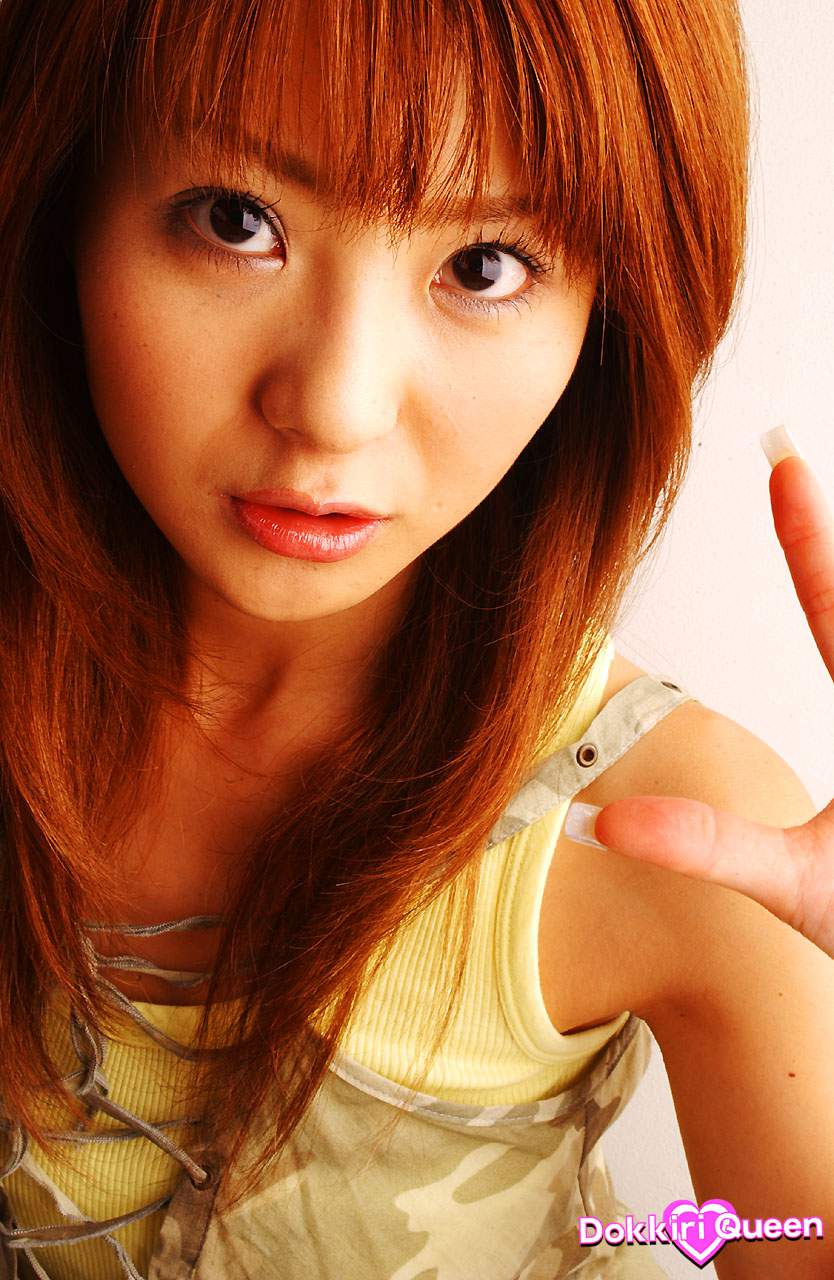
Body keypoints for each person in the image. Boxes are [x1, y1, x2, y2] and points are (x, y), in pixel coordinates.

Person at [0, 0, 832, 1278]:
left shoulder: (681, 830)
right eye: (237, 220)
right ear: (61, 204)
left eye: (484, 266)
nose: (336, 406)